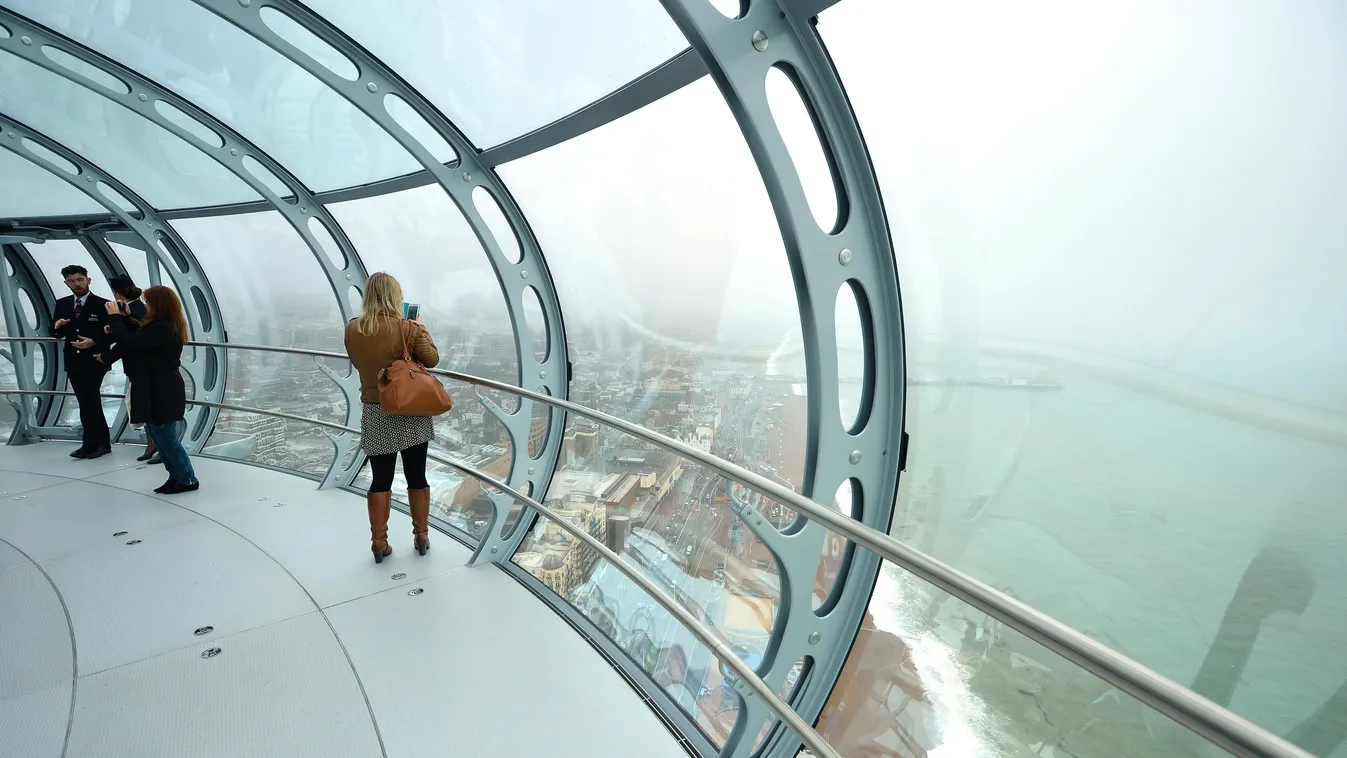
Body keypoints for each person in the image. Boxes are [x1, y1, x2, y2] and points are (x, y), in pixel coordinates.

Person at [345, 272, 439, 563]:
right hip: (410, 408)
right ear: (394, 297)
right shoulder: (406, 328)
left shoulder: (352, 330)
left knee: (380, 479)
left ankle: (379, 542)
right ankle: (421, 535)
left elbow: (361, 361)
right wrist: (420, 328)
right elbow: (432, 359)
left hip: (375, 410)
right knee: (417, 475)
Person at [97, 286, 198, 495]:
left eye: (149, 302)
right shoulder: (163, 326)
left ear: (158, 305)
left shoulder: (163, 327)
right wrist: (126, 317)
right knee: (161, 436)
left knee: (166, 437)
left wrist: (116, 318)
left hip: (162, 388)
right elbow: (139, 336)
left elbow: (130, 343)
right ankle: (176, 476)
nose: (146, 306)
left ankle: (188, 479)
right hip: (158, 386)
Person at [51, 265, 113, 459]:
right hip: (73, 360)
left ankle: (96, 444)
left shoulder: (103, 305)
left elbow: (113, 335)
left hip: (96, 359)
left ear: (88, 280)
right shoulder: (62, 304)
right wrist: (57, 326)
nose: (77, 284)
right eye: (72, 281)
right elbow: (54, 332)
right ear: (66, 283)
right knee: (86, 401)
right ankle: (96, 444)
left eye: (80, 279)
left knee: (89, 399)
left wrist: (93, 342)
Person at [103, 276, 158, 463]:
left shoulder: (130, 311)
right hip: (144, 364)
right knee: (148, 404)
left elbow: (127, 342)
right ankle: (154, 444)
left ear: (117, 293)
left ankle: (154, 444)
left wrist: (105, 357)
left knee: (147, 405)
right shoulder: (140, 310)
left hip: (139, 365)